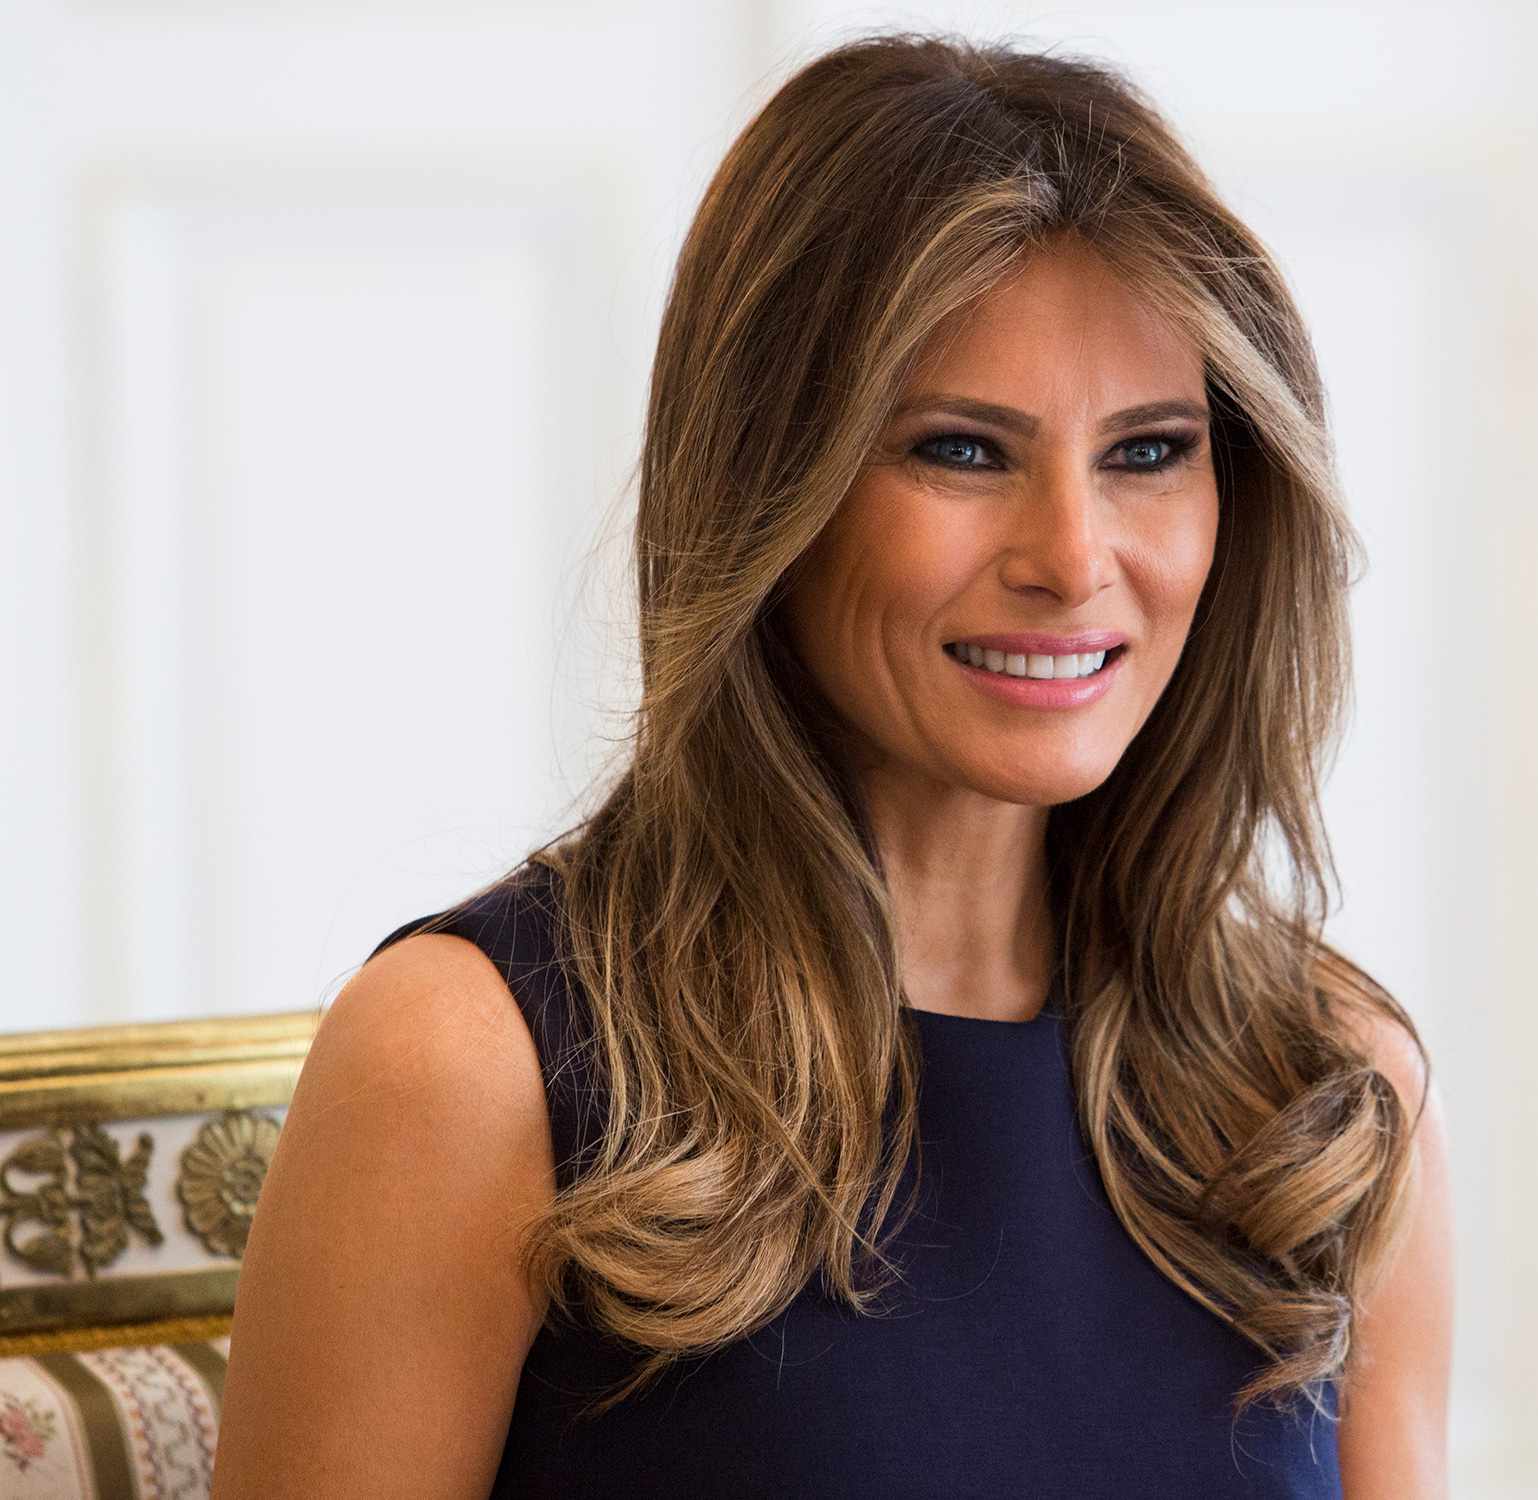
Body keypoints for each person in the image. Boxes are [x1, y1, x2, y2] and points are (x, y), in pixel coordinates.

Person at [213, 29, 1452, 1499]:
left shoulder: (1323, 1090)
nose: (1073, 558)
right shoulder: (471, 1068)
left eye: (1147, 452)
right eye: (963, 451)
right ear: (768, 485)